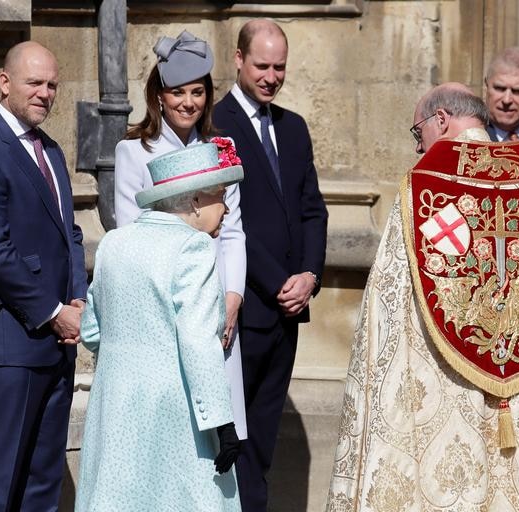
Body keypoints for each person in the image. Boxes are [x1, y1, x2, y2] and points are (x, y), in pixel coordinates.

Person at [328, 84, 519, 510]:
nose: (419, 146)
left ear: (441, 119)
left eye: (417, 132)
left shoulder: (420, 188)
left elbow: (387, 303)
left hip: (443, 382)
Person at [0, 41, 87, 511]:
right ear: (5, 83)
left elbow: (70, 231)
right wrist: (53, 313)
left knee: (43, 482)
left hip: (57, 344)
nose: (45, 93)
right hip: (14, 343)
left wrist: (78, 299)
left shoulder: (49, 148)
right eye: (35, 82)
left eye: (52, 84)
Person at [77, 142, 243, 511]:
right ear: (196, 201)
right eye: (220, 196)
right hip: (175, 411)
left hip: (115, 406)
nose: (227, 207)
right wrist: (222, 422)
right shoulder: (193, 249)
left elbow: (91, 332)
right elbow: (199, 342)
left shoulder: (113, 243)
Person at [212, 19, 328, 511]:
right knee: (233, 441)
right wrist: (280, 281)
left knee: (263, 440)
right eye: (262, 65)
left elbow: (312, 210)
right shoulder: (215, 125)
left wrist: (310, 276)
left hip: (287, 314)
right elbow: (228, 223)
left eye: (279, 66)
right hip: (245, 308)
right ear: (238, 59)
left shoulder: (293, 127)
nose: (271, 76)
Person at [114, 30, 247, 440]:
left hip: (217, 304)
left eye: (197, 92)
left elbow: (233, 233)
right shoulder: (134, 151)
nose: (188, 102)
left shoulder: (220, 149)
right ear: (159, 95)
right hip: (162, 304)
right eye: (177, 92)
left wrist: (231, 300)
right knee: (171, 429)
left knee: (218, 428)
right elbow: (129, 233)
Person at [484, 47, 519, 153]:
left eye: (517, 91)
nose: (507, 100)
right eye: (500, 88)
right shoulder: (467, 141)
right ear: (486, 87)